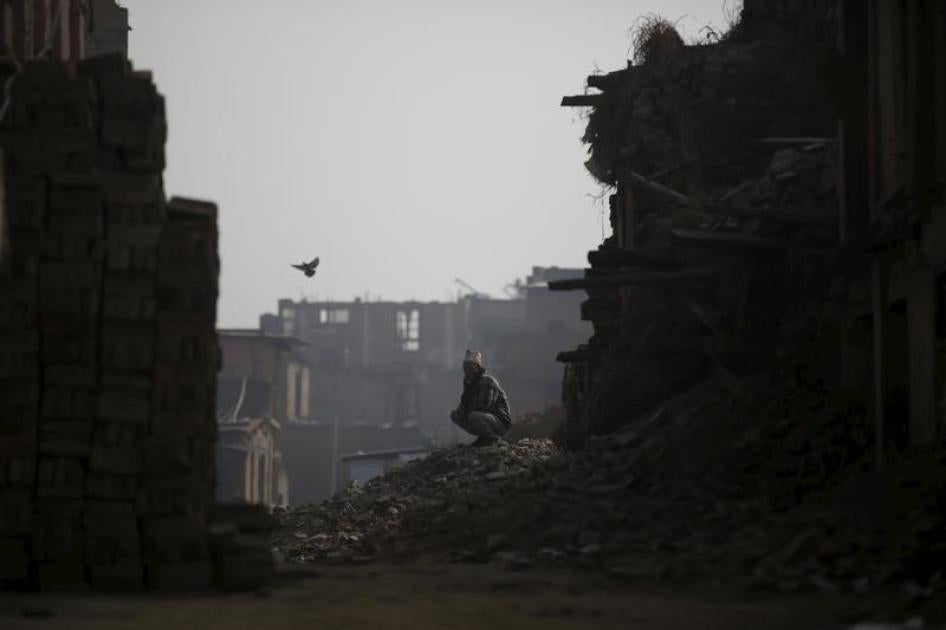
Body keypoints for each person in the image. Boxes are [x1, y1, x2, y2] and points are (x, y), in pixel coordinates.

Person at [449, 350, 511, 447]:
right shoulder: (469, 384)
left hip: (499, 421)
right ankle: (482, 437)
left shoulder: (487, 381)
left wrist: (467, 410)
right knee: (456, 415)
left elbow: (485, 405)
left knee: (473, 415)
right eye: (465, 367)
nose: (467, 370)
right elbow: (464, 404)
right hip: (483, 417)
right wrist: (460, 412)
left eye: (470, 367)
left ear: (477, 367)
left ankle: (492, 438)